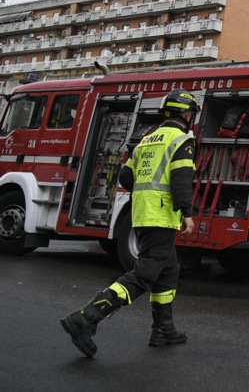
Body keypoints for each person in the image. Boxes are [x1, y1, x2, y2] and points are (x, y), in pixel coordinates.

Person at [61, 89, 199, 358]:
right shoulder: (182, 140)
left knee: (169, 269)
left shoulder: (147, 139)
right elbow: (182, 179)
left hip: (142, 211)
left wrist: (146, 195)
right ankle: (86, 318)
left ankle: (163, 328)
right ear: (184, 113)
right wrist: (187, 212)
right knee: (145, 273)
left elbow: (125, 176)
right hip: (161, 215)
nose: (191, 116)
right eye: (190, 112)